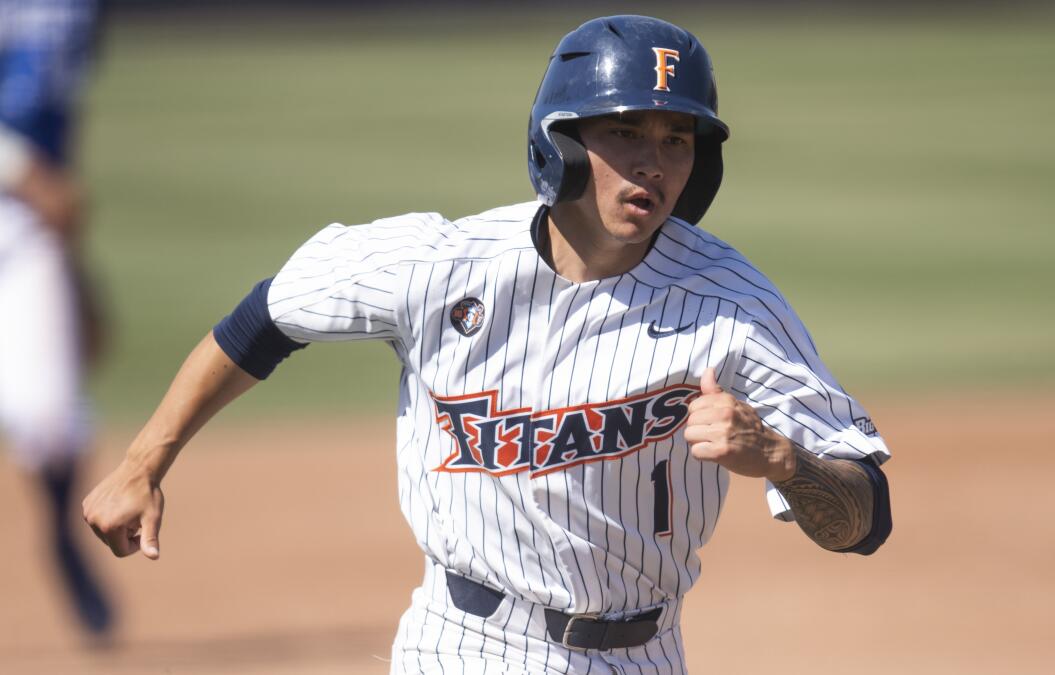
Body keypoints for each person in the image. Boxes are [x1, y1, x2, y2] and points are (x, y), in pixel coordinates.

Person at [83, 15, 892, 673]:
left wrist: (785, 459)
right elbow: (270, 315)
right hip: (463, 645)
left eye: (677, 140)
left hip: (647, 654)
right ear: (564, 141)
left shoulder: (733, 304)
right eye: (626, 134)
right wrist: (142, 461)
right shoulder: (441, 265)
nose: (654, 165)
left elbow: (867, 517)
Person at [0, 0, 112, 637]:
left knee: (49, 418)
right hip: (25, 189)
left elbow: (56, 107)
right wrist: (20, 171)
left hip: (30, 221)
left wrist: (75, 261)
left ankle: (60, 537)